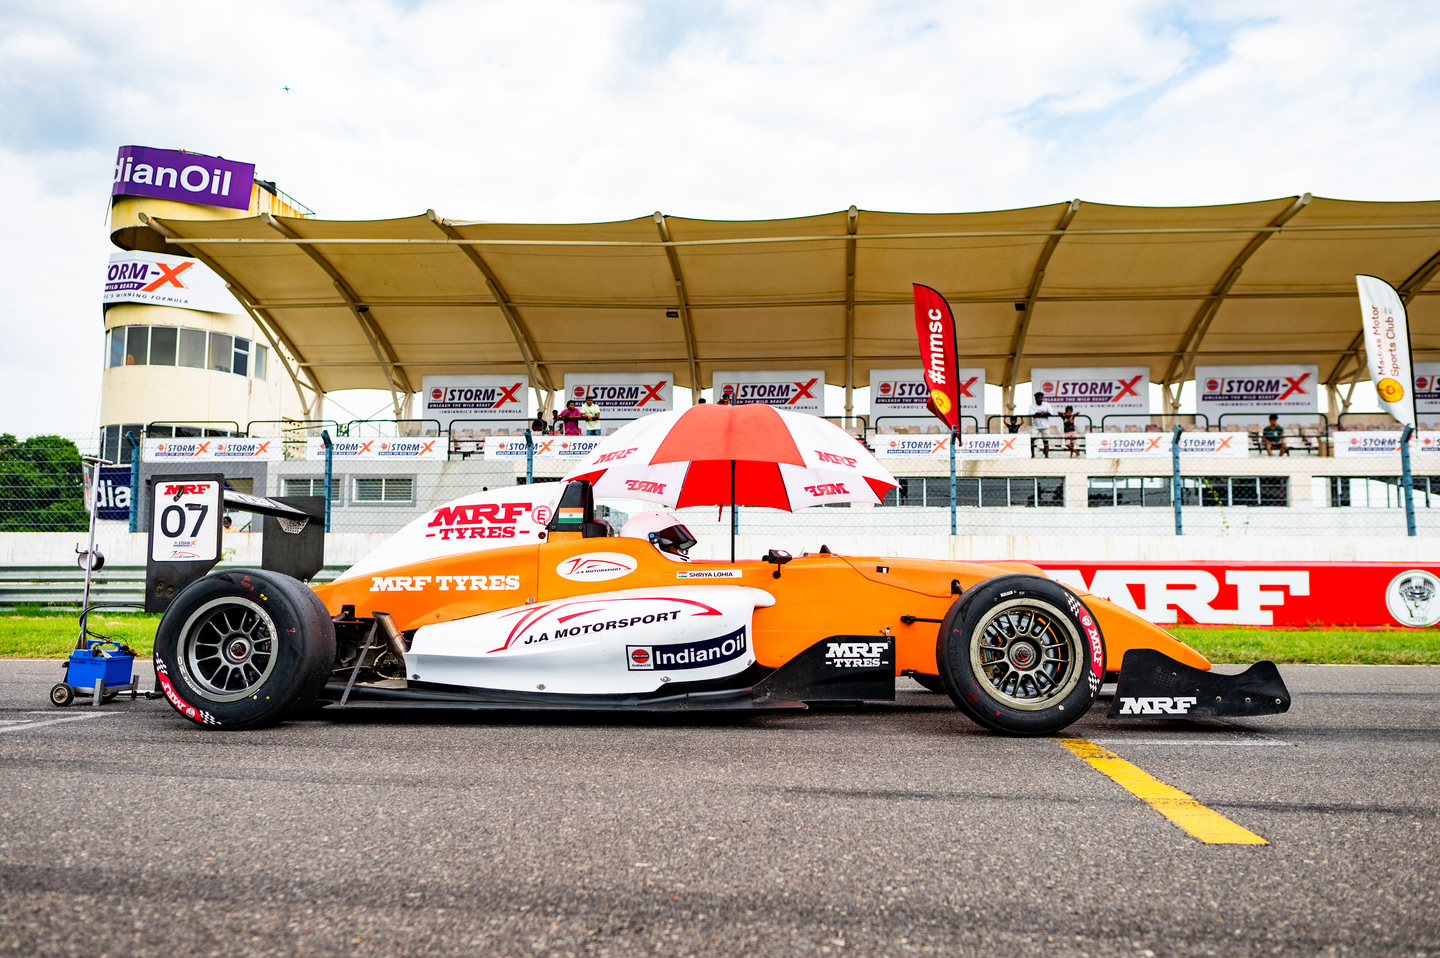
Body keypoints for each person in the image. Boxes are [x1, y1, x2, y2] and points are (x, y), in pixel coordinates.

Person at [1028, 391, 1056, 458]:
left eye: (1041, 398)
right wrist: (1040, 413)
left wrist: (1044, 413)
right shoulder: (1032, 405)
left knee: (1046, 441)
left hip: (1045, 426)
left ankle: (1046, 455)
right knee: (1032, 440)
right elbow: (1030, 413)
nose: (1039, 399)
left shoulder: (1046, 404)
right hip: (1036, 426)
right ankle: (1033, 455)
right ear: (1035, 399)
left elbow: (1051, 412)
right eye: (1038, 398)